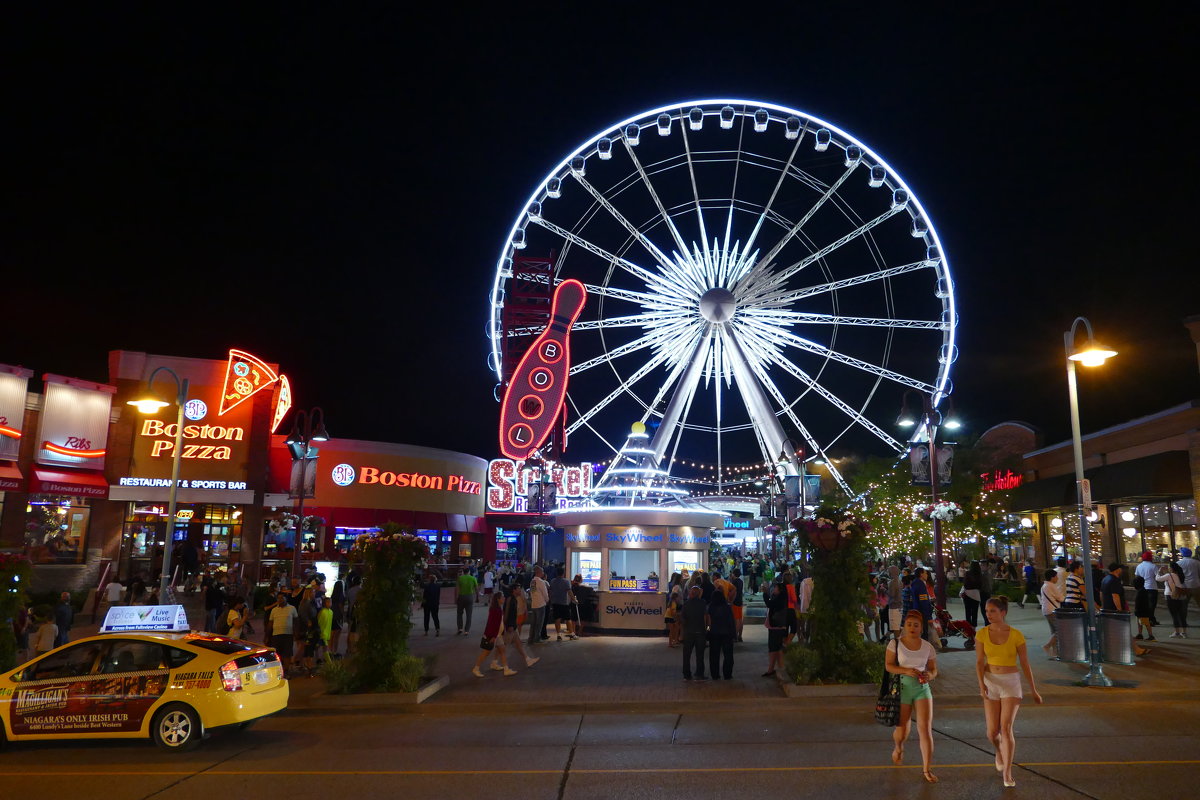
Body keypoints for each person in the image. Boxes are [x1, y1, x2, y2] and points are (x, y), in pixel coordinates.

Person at [975, 596, 1043, 788]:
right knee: (991, 733)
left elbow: (1025, 664)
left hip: (1011, 683)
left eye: (993, 611)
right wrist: (981, 685)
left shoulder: (1016, 635)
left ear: (1003, 612)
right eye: (987, 611)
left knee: (1005, 728)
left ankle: (1008, 772)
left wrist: (1034, 690)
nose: (988, 614)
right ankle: (998, 751)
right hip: (990, 682)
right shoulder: (981, 634)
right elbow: (980, 662)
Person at [886, 610, 939, 783]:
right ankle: (898, 747)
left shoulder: (927, 647)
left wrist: (929, 676)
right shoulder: (895, 644)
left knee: (925, 729)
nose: (912, 628)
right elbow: (889, 666)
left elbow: (933, 669)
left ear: (921, 628)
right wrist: (906, 670)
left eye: (916, 625)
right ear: (904, 627)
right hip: (902, 689)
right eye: (909, 625)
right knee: (902, 731)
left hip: (922, 689)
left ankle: (926, 769)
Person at [472, 592, 515, 677]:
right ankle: (476, 668)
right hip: (493, 635)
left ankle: (505, 669)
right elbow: (492, 624)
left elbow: (499, 623)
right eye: (502, 597)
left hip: (497, 635)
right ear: (498, 599)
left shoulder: (498, 608)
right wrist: (493, 636)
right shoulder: (495, 610)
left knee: (502, 650)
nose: (504, 598)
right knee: (486, 653)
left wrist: (502, 632)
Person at [502, 583, 537, 668]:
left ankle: (528, 659)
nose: (520, 590)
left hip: (512, 625)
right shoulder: (510, 598)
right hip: (510, 626)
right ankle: (502, 665)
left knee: (518, 644)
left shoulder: (514, 598)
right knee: (504, 647)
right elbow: (506, 612)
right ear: (514, 590)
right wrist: (507, 625)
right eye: (518, 589)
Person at [706, 588, 735, 680]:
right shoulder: (727, 607)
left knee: (714, 655)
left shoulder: (710, 607)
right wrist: (733, 633)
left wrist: (708, 631)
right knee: (728, 655)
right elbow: (731, 621)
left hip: (714, 633)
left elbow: (708, 623)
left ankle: (715, 674)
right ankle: (727, 674)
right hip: (726, 633)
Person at [680, 585, 708, 680]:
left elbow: (682, 619)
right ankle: (699, 673)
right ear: (699, 594)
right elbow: (705, 617)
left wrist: (682, 633)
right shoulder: (703, 603)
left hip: (689, 632)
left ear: (690, 594)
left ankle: (686, 674)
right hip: (700, 632)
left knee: (686, 655)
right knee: (700, 655)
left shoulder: (686, 604)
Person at [1156, 561, 1189, 638]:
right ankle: (1184, 633)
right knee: (1181, 614)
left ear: (1171, 568)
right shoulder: (1179, 575)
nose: (1168, 568)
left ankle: (1177, 632)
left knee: (1174, 614)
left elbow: (1157, 578)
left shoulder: (1168, 575)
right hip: (1179, 595)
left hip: (1170, 596)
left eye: (1169, 567)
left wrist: (1159, 571)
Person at [268, 593, 298, 676]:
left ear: (286, 599)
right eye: (278, 598)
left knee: (287, 654)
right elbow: (270, 623)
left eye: (282, 598)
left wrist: (296, 633)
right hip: (276, 635)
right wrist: (267, 635)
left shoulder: (292, 608)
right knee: (277, 654)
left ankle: (286, 671)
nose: (280, 600)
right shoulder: (274, 610)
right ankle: (279, 672)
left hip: (288, 634)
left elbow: (296, 622)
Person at [763, 578, 788, 677]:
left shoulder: (780, 599)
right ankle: (776, 668)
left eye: (776, 588)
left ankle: (774, 669)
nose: (774, 589)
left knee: (774, 648)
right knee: (777, 648)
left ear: (780, 590)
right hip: (776, 625)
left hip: (776, 626)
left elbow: (769, 604)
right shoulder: (779, 597)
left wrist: (765, 593)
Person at [1038, 568, 1063, 657]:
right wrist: (1058, 598)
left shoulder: (1044, 586)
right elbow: (1061, 598)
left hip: (1046, 610)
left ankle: (1055, 653)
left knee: (1054, 631)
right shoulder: (1051, 586)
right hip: (1053, 610)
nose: (1057, 578)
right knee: (1059, 630)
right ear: (1052, 577)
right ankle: (1047, 646)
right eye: (1056, 576)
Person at [911, 567, 938, 649]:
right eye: (925, 573)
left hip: (917, 610)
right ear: (921, 574)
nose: (927, 575)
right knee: (924, 632)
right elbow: (923, 601)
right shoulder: (921, 585)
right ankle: (923, 649)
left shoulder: (915, 583)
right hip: (922, 612)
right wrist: (928, 615)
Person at [1134, 551, 1161, 627]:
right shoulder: (1153, 566)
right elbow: (1157, 576)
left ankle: (1151, 619)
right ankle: (1150, 619)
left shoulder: (1139, 566)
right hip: (1152, 587)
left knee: (1145, 604)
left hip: (1142, 587)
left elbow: (1137, 576)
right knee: (1152, 605)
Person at [548, 571, 576, 640]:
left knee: (557, 619)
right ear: (563, 574)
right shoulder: (566, 581)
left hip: (555, 603)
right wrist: (574, 599)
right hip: (564, 603)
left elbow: (550, 592)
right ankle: (572, 634)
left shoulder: (552, 581)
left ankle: (558, 635)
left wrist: (549, 600)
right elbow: (569, 591)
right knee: (568, 619)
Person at [527, 566, 549, 646]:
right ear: (539, 572)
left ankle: (531, 638)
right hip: (541, 604)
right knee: (539, 623)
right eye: (542, 572)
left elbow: (532, 592)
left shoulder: (532, 581)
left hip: (534, 604)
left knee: (533, 623)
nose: (543, 573)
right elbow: (545, 593)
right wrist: (547, 600)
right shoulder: (541, 582)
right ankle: (537, 639)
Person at [1178, 547, 1200, 616]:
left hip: (1185, 586)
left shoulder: (1178, 563)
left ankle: (1183, 622)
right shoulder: (1197, 562)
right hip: (1196, 585)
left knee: (1183, 605)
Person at [456, 567, 478, 635]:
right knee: (469, 615)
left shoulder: (460, 578)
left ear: (463, 572)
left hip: (461, 597)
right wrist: (477, 597)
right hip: (469, 597)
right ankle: (466, 630)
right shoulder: (473, 578)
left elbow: (457, 589)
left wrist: (456, 598)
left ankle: (460, 628)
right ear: (469, 572)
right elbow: (476, 588)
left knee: (459, 613)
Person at [1132, 574, 1154, 642]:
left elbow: (1139, 603)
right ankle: (1140, 634)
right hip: (1142, 611)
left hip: (1142, 611)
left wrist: (1136, 610)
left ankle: (1151, 636)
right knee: (1140, 623)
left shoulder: (1141, 592)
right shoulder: (1142, 590)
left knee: (1146, 623)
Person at [886, 565, 903, 634]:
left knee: (895, 627)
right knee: (898, 625)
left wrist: (884, 590)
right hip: (900, 606)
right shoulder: (899, 581)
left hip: (894, 607)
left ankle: (897, 642)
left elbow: (891, 595)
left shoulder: (892, 582)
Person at [731, 569, 745, 642]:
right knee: (740, 619)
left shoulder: (734, 582)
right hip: (740, 601)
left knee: (736, 620)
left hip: (735, 601)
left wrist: (731, 601)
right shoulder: (741, 581)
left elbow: (734, 592)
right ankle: (740, 636)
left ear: (734, 574)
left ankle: (735, 636)